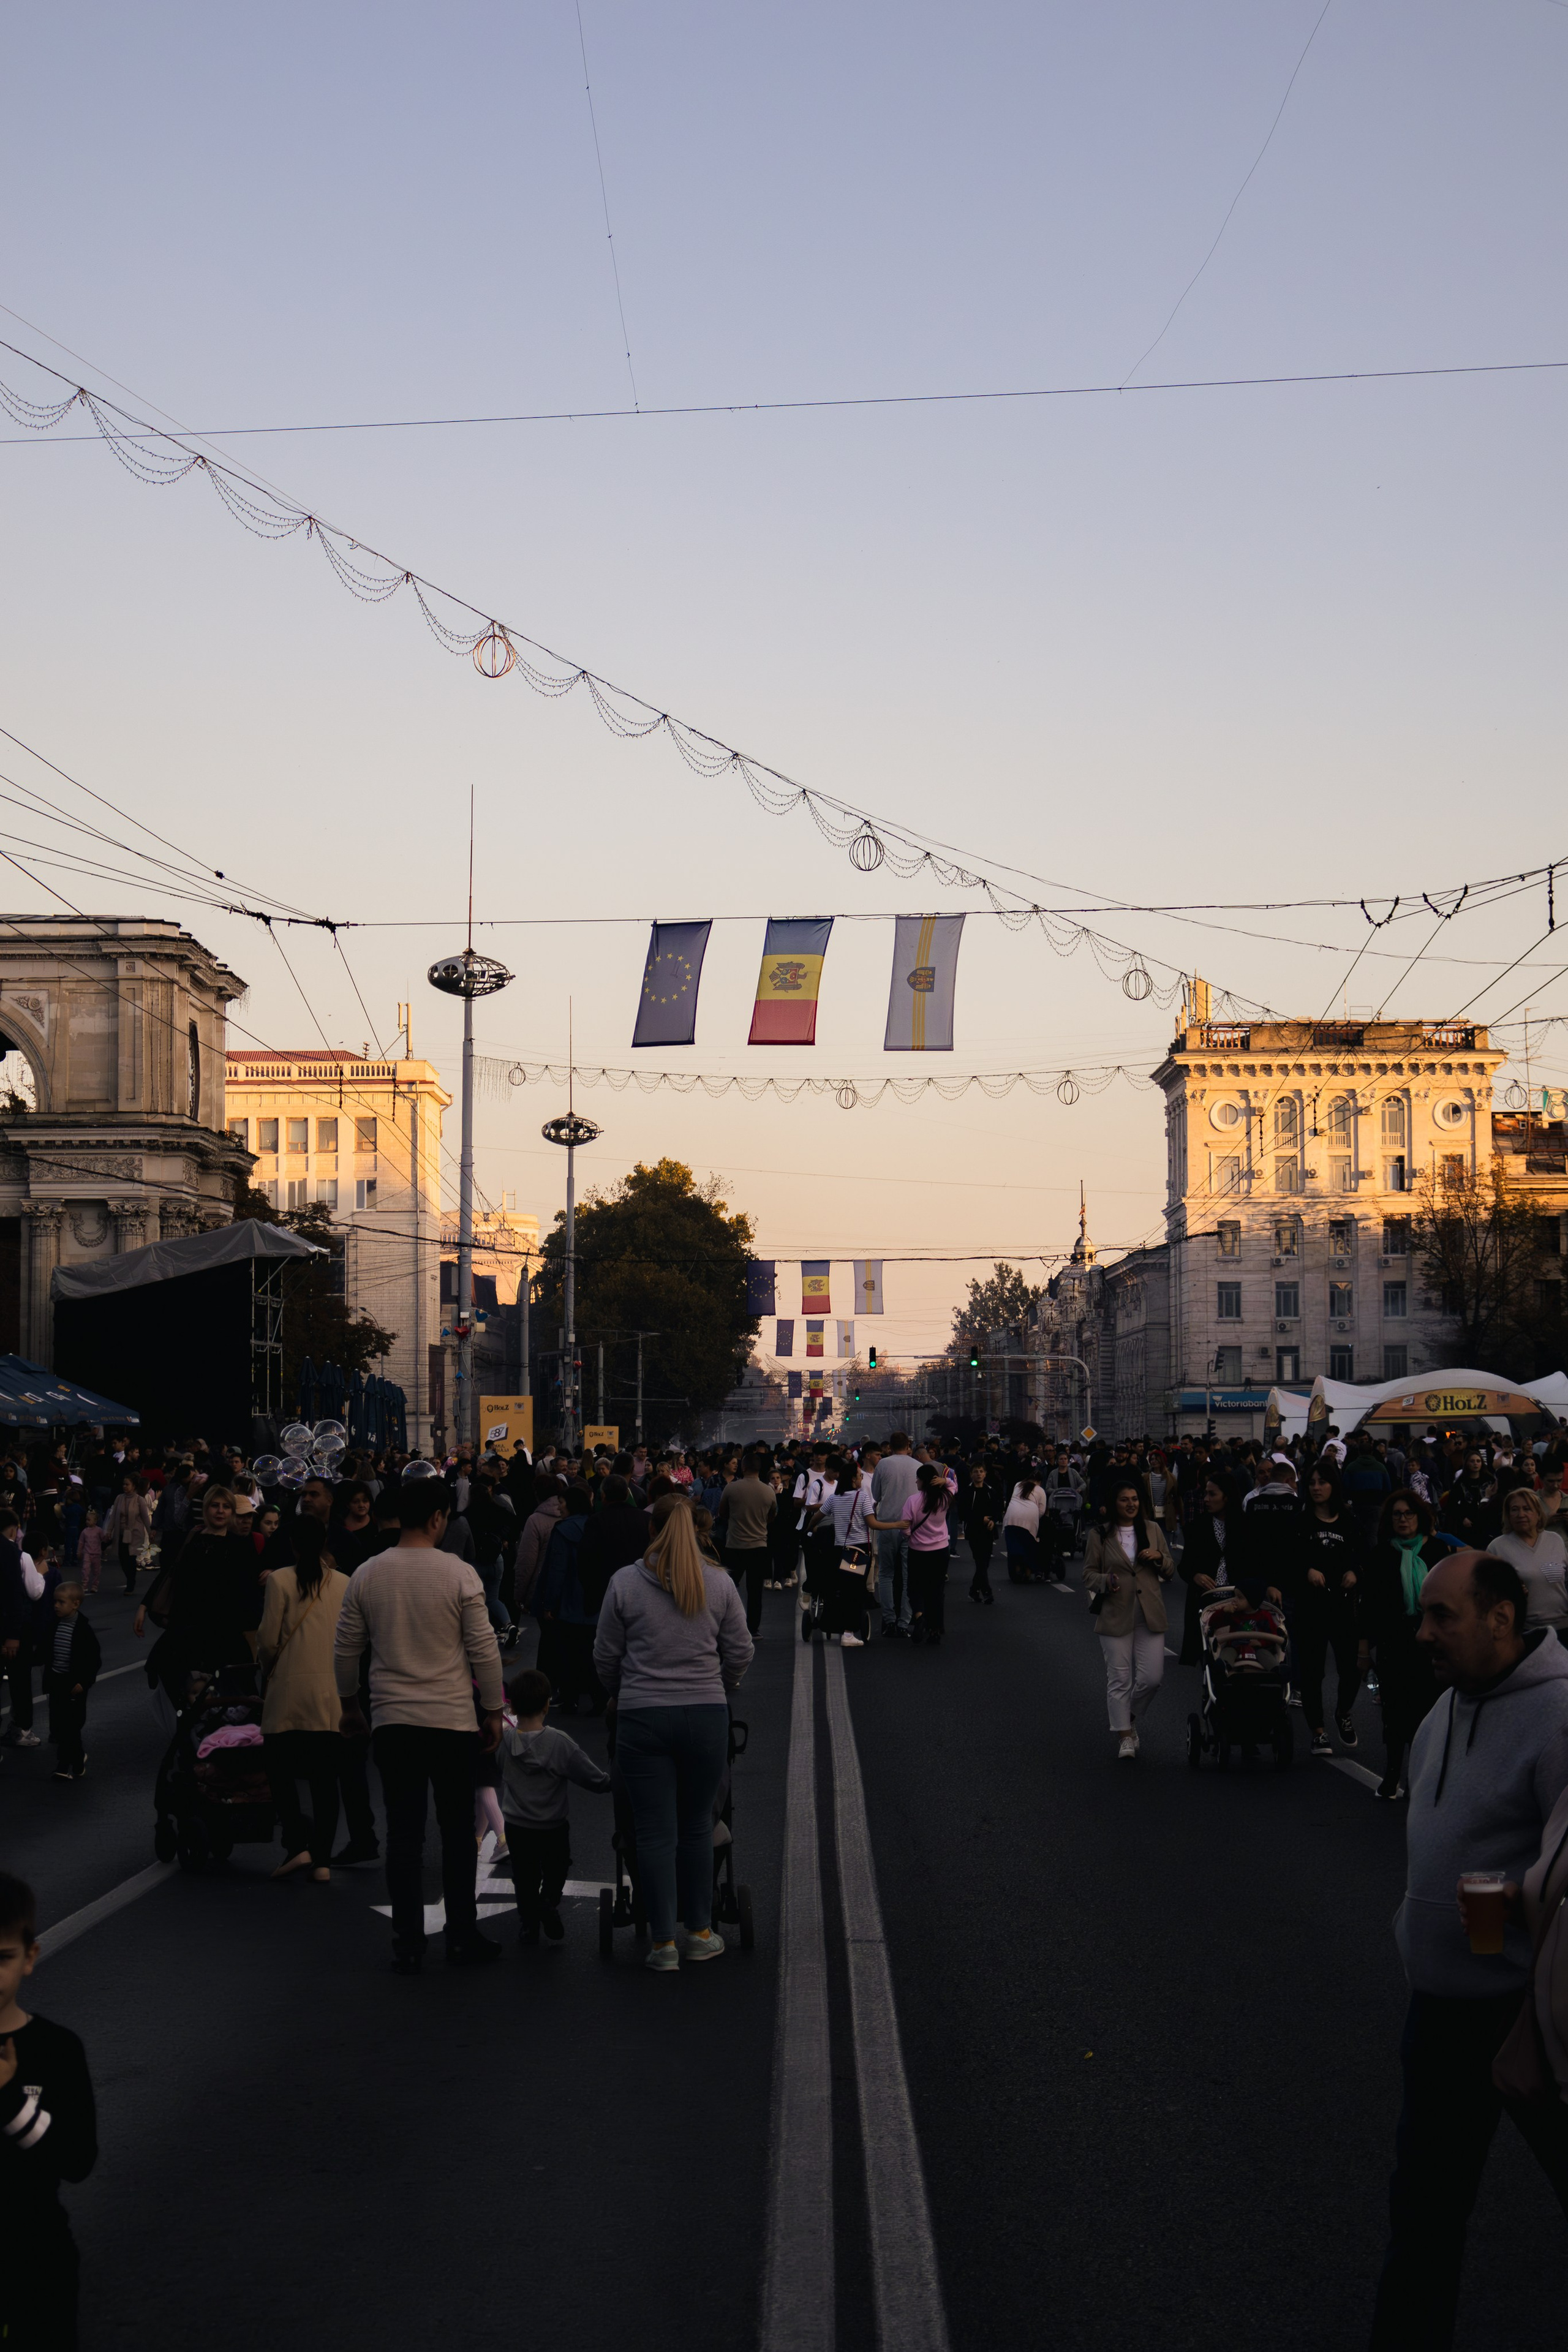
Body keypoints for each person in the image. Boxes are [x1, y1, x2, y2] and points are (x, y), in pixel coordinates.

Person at [1369, 1550, 1568, 2350]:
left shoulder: (1559, 1716)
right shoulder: (1443, 1706)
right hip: (1443, 2012)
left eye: (1442, 1616)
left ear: (1501, 1619)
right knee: (1423, 2214)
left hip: (1534, 2021)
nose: (1425, 1633)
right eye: (1424, 1615)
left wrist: (1527, 1971)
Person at [334, 1477, 505, 1974]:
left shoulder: (368, 1574)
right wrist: (493, 1711)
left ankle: (408, 1941)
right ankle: (462, 1934)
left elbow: (346, 1650)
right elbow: (484, 1652)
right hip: (451, 1722)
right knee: (456, 1834)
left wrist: (351, 1706)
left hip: (393, 1722)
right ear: (437, 1519)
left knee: (404, 1835)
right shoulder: (459, 1574)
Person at [592, 1496, 753, 1972]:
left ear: (652, 1531)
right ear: (699, 1533)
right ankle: (700, 1932)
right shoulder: (718, 1583)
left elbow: (605, 1655)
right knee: (698, 1824)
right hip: (705, 1715)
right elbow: (740, 1650)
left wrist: (622, 1691)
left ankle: (662, 1944)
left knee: (652, 1832)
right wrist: (721, 1687)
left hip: (642, 1717)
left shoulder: (625, 1582)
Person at [0, 1872, 98, 2352]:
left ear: (29, 1958)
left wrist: (10, 2103)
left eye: (2, 1959)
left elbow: (78, 2161)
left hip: (36, 2256)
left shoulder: (56, 2050)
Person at [258, 1520, 349, 1884]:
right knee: (326, 1781)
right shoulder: (344, 1582)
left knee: (279, 1771)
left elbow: (267, 1639)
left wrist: (267, 1670)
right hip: (332, 1694)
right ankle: (324, 1861)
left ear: (293, 1545)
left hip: (289, 1690)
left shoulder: (279, 1580)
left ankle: (297, 1845)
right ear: (325, 1542)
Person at [499, 1666, 611, 1942]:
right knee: (556, 1869)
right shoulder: (559, 1743)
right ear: (548, 1704)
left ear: (512, 1706)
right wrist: (614, 1781)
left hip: (516, 1825)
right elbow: (592, 1779)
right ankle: (547, 1902)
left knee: (524, 1877)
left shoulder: (504, 1740)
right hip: (552, 1825)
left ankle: (528, 1924)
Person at [1363, 1491, 1449, 1800]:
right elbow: (1369, 1607)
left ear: (1421, 1517)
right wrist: (1364, 1651)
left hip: (1432, 1643)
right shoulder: (1381, 1555)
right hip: (1394, 1643)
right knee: (1395, 1711)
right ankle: (1392, 1772)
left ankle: (1420, 1776)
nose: (1403, 1519)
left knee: (1428, 1712)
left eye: (1409, 1514)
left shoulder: (1438, 1551)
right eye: (1397, 1514)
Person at [1084, 1477, 1175, 1761]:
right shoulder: (1099, 1534)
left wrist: (1159, 1556)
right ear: (1114, 1504)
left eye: (1135, 1499)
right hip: (1115, 1613)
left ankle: (1129, 1716)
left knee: (1152, 1678)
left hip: (1149, 1612)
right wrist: (1104, 1580)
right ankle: (1124, 1735)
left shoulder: (1152, 1529)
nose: (1131, 1504)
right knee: (1119, 1678)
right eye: (1125, 1499)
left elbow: (1170, 1569)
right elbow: (1087, 1574)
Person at [1295, 1462, 1366, 1757]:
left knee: (1351, 1669)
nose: (1316, 1487)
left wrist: (1355, 1572)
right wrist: (1307, 1570)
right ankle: (1318, 1732)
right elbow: (1289, 1558)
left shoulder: (1348, 1520)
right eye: (1311, 1482)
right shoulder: (1302, 1521)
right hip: (1311, 1607)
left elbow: (1362, 1555)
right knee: (1312, 1673)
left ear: (1333, 1485)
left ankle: (1343, 1712)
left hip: (1342, 1606)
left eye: (1322, 1482)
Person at [533, 1485, 600, 1712]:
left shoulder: (563, 1531)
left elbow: (557, 1570)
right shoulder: (596, 1525)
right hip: (594, 1599)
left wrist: (549, 1604)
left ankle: (570, 1696)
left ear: (570, 1504)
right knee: (589, 1650)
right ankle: (598, 1695)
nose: (559, 1507)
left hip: (568, 1600)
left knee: (568, 1653)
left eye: (562, 1503)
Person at [1488, 1486, 1568, 1640]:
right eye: (1515, 1510)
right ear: (1508, 1515)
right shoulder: (1498, 1547)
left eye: (1527, 1509)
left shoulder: (1555, 1540)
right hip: (1526, 1631)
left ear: (1538, 1514)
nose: (1521, 1515)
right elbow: (1489, 1591)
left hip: (1564, 1627)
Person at [1178, 1474, 1240, 1665]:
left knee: (1238, 1653)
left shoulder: (1246, 1526)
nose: (1206, 1499)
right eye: (1206, 1494)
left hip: (1237, 1600)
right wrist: (1195, 1575)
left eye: (1212, 1494)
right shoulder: (1199, 1525)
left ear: (1227, 1497)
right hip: (1207, 1599)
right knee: (1209, 1657)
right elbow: (1184, 1566)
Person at [43, 1582, 99, 1783]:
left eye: (61, 1602)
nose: (56, 1606)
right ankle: (78, 1758)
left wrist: (84, 1682)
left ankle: (63, 1766)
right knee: (59, 1727)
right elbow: (44, 1652)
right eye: (55, 1602)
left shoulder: (83, 1630)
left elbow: (94, 1660)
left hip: (75, 1686)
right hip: (57, 1683)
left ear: (75, 1604)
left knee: (72, 1726)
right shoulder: (54, 1625)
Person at [717, 1450, 777, 1635]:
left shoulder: (731, 1488)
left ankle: (723, 1625)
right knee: (755, 1592)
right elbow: (772, 1517)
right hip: (759, 1547)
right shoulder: (769, 1491)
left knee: (727, 1588)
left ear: (743, 1467)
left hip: (734, 1545)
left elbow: (723, 1514)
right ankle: (753, 1629)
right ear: (760, 1469)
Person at [869, 1433, 919, 1638]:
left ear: (889, 1446)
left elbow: (876, 1495)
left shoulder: (883, 1465)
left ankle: (889, 1621)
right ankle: (904, 1622)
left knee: (886, 1574)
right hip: (911, 1526)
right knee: (909, 1577)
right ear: (908, 1446)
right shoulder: (917, 1466)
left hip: (887, 1525)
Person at [903, 1460, 959, 1646]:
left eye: (918, 1479)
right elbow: (954, 1487)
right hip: (940, 1550)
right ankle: (935, 1629)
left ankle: (919, 1616)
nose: (916, 1483)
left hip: (917, 1550)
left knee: (915, 1587)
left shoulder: (913, 1500)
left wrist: (910, 1535)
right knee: (936, 1590)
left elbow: (905, 1527)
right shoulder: (944, 1499)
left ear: (922, 1481)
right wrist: (944, 1482)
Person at [823, 1457, 874, 1645]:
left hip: (840, 1549)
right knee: (854, 1591)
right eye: (860, 1476)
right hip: (858, 1551)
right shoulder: (861, 1497)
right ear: (853, 1479)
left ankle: (844, 1628)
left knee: (845, 1589)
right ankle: (848, 1633)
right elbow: (872, 1523)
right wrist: (896, 1524)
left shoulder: (834, 1497)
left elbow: (819, 1515)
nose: (862, 1478)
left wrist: (810, 1529)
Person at [102, 1471, 154, 1596]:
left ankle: (131, 1583)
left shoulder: (139, 1500)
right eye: (124, 1484)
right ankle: (130, 1578)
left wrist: (150, 1531)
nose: (125, 1487)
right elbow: (113, 1516)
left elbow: (145, 1518)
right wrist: (109, 1531)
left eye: (127, 1484)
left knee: (131, 1559)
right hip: (120, 1533)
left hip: (135, 1534)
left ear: (134, 1486)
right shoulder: (119, 1498)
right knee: (122, 1558)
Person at [959, 1462, 998, 1604]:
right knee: (980, 1561)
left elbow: (996, 1510)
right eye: (976, 1471)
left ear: (985, 1473)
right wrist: (980, 1519)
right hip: (974, 1531)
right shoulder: (967, 1492)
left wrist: (993, 1521)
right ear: (971, 1475)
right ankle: (987, 1592)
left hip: (988, 1531)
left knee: (985, 1562)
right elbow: (963, 1513)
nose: (979, 1474)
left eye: (981, 1471)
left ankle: (974, 1590)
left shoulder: (990, 1491)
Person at [1001, 1475, 1047, 1585]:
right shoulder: (1040, 1490)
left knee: (1014, 1547)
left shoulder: (1018, 1485)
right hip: (1029, 1519)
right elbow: (1042, 1511)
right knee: (1028, 1547)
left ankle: (1017, 1570)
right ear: (1039, 1482)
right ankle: (1028, 1573)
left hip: (1011, 1518)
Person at [77, 1507, 103, 1600]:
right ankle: (84, 1585)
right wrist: (79, 1551)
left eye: (89, 1520)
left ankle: (95, 1585)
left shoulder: (99, 1531)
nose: (87, 1522)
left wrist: (107, 1538)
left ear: (95, 1521)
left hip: (96, 1554)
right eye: (86, 1520)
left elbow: (103, 1539)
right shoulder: (85, 1532)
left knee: (97, 1571)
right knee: (85, 1569)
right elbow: (81, 1542)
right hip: (87, 1554)